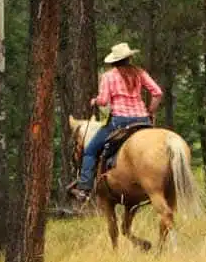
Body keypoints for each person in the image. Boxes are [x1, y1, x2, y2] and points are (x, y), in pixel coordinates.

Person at [69, 42, 163, 200]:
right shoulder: (140, 73)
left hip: (120, 121)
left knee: (90, 150)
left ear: (113, 61)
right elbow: (157, 92)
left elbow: (104, 100)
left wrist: (95, 101)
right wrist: (150, 111)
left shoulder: (109, 76)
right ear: (129, 58)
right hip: (142, 121)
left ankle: (84, 188)